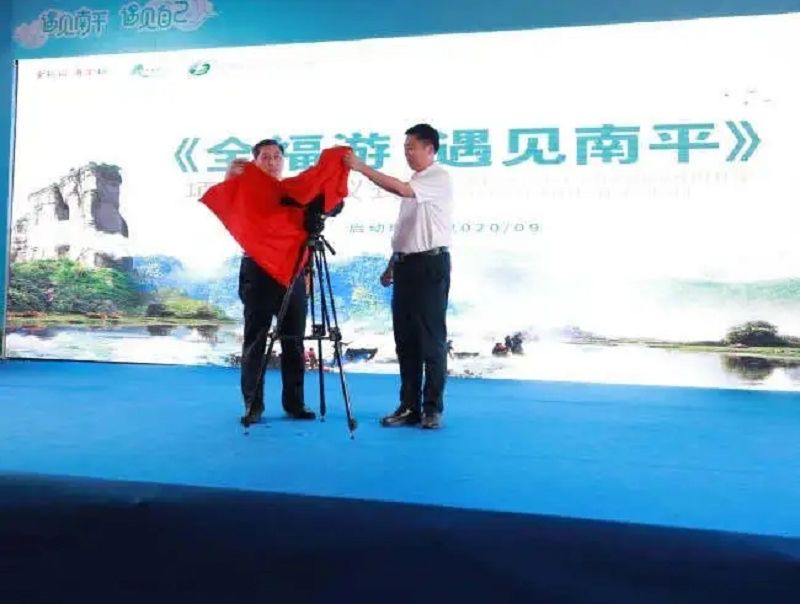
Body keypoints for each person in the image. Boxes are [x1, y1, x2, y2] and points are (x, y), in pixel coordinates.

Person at [344, 123, 453, 429]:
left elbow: (400, 189)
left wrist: (361, 167)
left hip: (429, 266)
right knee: (405, 340)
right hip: (406, 267)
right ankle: (409, 407)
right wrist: (392, 265)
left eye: (411, 147)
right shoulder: (417, 181)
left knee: (430, 340)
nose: (407, 153)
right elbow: (408, 233)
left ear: (430, 149)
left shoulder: (437, 177)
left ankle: (432, 409)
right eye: (405, 148)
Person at [226, 139, 316, 425]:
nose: (272, 162)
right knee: (256, 339)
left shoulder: (294, 192)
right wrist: (230, 176)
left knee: (294, 340)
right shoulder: (246, 190)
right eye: (266, 157)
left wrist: (308, 273)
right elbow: (227, 201)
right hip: (257, 272)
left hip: (292, 272)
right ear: (255, 162)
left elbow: (305, 237)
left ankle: (295, 403)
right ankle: (253, 405)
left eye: (277, 157)